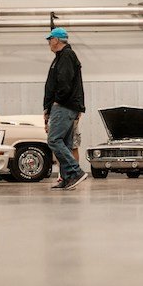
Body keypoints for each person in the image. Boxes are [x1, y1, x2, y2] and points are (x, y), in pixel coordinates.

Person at [43, 27, 89, 190]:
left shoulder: (67, 56)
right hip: (63, 105)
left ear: (56, 40)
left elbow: (65, 83)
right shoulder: (60, 57)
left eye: (50, 39)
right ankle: (68, 178)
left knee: (54, 140)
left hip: (64, 105)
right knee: (65, 143)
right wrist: (47, 108)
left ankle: (75, 172)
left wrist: (57, 102)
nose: (48, 42)